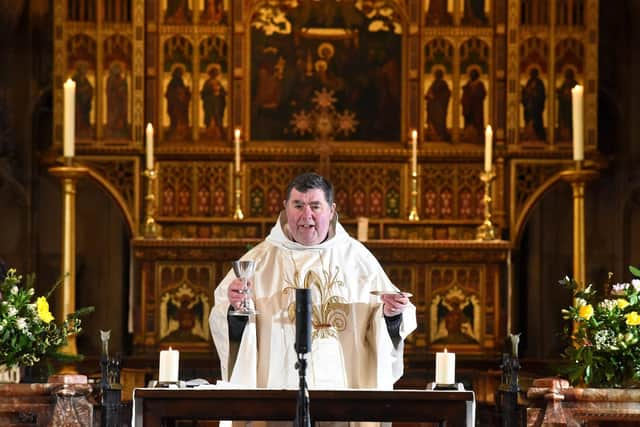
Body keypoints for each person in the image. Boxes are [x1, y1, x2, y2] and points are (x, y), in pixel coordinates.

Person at [209, 173, 417, 389]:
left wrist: (391, 315)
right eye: (298, 205)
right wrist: (235, 310)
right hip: (278, 394)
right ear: (285, 208)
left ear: (331, 210)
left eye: (315, 206)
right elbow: (225, 325)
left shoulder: (356, 259)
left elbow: (391, 320)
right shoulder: (258, 261)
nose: (306, 215)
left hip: (343, 395)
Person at [200, 65, 227, 139]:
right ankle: (210, 133)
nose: (215, 74)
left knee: (218, 116)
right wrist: (212, 92)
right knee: (210, 117)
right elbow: (204, 93)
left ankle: (218, 133)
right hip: (210, 103)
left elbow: (223, 92)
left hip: (218, 103)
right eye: (214, 72)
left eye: (216, 72)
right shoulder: (207, 82)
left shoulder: (218, 82)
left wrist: (221, 93)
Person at [165, 66, 191, 140]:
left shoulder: (180, 81)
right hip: (175, 105)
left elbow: (183, 92)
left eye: (181, 73)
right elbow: (170, 93)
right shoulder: (173, 82)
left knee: (181, 119)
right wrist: (181, 92)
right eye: (179, 72)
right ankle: (175, 134)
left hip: (181, 105)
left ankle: (181, 134)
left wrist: (186, 91)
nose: (180, 74)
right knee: (175, 119)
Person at [461, 68, 486, 143]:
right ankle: (468, 136)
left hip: (476, 107)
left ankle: (477, 136)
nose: (472, 76)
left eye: (473, 74)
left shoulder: (480, 84)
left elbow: (482, 94)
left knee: (477, 121)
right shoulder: (468, 83)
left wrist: (474, 95)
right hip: (468, 107)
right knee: (468, 121)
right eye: (471, 74)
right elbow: (465, 94)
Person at [425, 69, 451, 142]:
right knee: (433, 121)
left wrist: (436, 97)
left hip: (439, 107)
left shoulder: (443, 84)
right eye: (436, 74)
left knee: (439, 121)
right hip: (433, 107)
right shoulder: (434, 83)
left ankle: (440, 135)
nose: (436, 76)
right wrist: (429, 96)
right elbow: (429, 93)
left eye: (438, 74)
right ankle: (434, 135)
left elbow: (447, 94)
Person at [521, 67, 546, 141]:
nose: (532, 74)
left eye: (533, 73)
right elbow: (526, 92)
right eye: (531, 73)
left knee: (536, 121)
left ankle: (537, 136)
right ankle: (529, 136)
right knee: (528, 120)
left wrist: (532, 93)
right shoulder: (529, 81)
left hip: (536, 107)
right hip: (529, 106)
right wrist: (525, 92)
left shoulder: (539, 83)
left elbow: (541, 95)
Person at [556, 68, 578, 141]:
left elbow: (576, 95)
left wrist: (568, 95)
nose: (566, 76)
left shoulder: (574, 83)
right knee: (564, 121)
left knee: (569, 121)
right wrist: (559, 92)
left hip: (570, 106)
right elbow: (562, 92)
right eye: (566, 74)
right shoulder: (564, 83)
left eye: (568, 74)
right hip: (564, 106)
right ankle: (563, 136)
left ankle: (570, 137)